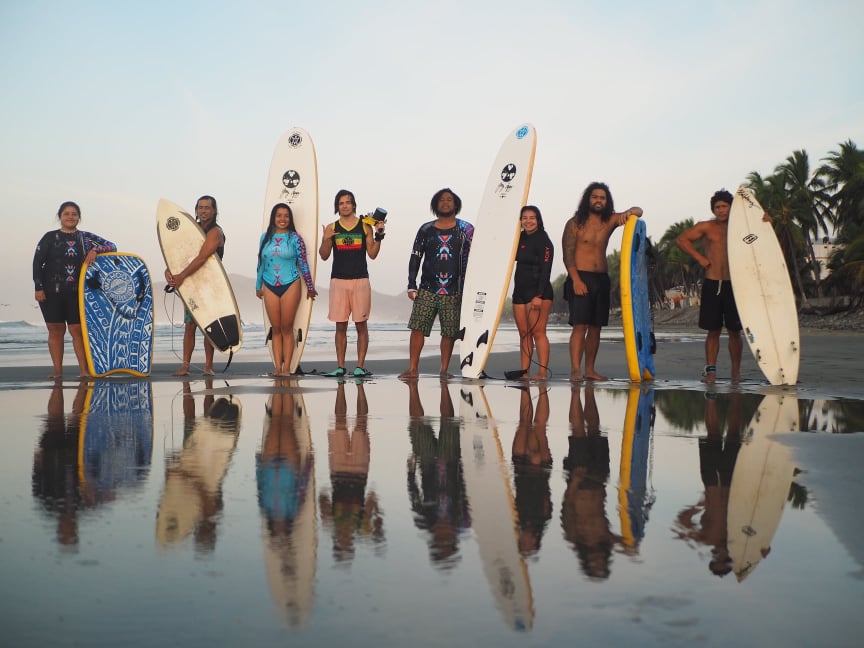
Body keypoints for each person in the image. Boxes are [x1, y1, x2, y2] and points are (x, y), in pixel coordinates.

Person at [562, 182, 642, 381]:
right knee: (580, 326)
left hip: (601, 279)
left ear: (607, 201)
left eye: (602, 198)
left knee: (596, 327)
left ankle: (590, 370)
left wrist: (631, 210)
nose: (598, 200)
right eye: (595, 197)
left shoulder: (610, 220)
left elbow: (638, 212)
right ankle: (575, 370)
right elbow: (567, 254)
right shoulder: (575, 223)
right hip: (580, 276)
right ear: (588, 199)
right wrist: (576, 280)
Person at [32, 200, 117, 379]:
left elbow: (112, 246)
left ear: (79, 217)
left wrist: (96, 250)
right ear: (60, 217)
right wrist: (38, 287)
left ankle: (84, 370)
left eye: (74, 214)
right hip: (51, 291)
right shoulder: (49, 237)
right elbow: (38, 262)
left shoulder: (85, 237)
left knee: (77, 330)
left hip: (77, 292)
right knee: (55, 330)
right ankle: (57, 371)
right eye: (66, 214)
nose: (70, 217)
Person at [399, 188, 474, 380]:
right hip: (427, 288)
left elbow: (476, 259)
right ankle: (413, 368)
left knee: (448, 332)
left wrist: (471, 288)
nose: (446, 202)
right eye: (441, 200)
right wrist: (411, 284)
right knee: (417, 328)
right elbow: (415, 256)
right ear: (435, 205)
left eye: (450, 200)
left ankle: (444, 370)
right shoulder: (426, 229)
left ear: (456, 204)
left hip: (454, 290)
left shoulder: (466, 229)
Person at [675, 189, 744, 384]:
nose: (721, 210)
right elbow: (681, 239)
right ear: (713, 209)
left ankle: (735, 372)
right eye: (718, 207)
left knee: (734, 331)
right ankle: (711, 371)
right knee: (713, 330)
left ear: (731, 207)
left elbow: (762, 235)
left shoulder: (741, 227)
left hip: (735, 285)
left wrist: (765, 219)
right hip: (713, 283)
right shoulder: (706, 227)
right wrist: (700, 258)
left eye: (725, 206)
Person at [318, 189, 385, 378]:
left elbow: (372, 254)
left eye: (348, 202)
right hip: (338, 280)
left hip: (360, 280)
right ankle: (340, 366)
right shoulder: (332, 227)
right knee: (340, 326)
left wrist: (379, 235)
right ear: (337, 206)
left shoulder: (365, 226)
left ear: (354, 205)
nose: (345, 206)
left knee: (361, 324)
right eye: (341, 203)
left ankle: (359, 367)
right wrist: (326, 239)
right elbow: (323, 256)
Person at [164, 195, 224, 376]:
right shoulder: (191, 230)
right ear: (196, 209)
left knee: (208, 326)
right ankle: (185, 366)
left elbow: (202, 257)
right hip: (191, 284)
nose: (203, 210)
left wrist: (181, 275)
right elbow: (181, 255)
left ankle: (208, 367)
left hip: (209, 285)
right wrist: (169, 271)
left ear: (214, 211)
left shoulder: (215, 231)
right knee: (190, 326)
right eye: (200, 207)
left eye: (207, 207)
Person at [256, 203, 317, 377]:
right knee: (275, 328)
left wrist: (310, 287)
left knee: (286, 327)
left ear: (290, 219)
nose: (282, 219)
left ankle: (287, 369)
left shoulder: (295, 239)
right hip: (269, 284)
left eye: (286, 216)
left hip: (290, 283)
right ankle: (277, 368)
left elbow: (303, 263)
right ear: (273, 218)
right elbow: (260, 263)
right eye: (279, 215)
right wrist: (257, 285)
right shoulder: (264, 238)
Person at [511, 205, 554, 380]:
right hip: (519, 292)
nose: (528, 221)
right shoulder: (519, 238)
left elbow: (546, 269)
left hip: (538, 292)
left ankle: (542, 372)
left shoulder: (543, 240)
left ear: (538, 220)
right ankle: (524, 372)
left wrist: (539, 295)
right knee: (524, 334)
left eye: (532, 217)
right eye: (524, 218)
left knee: (538, 332)